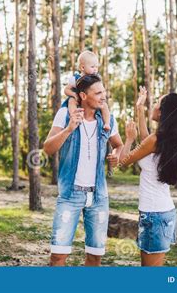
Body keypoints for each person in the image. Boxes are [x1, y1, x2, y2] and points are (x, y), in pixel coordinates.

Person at [43, 74, 123, 266]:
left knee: (95, 256)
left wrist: (116, 155)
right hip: (70, 195)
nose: (103, 96)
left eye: (104, 91)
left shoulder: (108, 120)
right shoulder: (65, 114)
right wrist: (69, 129)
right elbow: (47, 148)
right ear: (83, 96)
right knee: (58, 256)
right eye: (98, 93)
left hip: (99, 197)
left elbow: (118, 145)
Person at [119, 87, 177, 266]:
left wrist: (128, 139)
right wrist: (139, 108)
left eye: (157, 103)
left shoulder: (156, 140)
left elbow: (123, 162)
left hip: (154, 215)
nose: (154, 105)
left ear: (163, 112)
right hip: (161, 212)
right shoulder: (162, 140)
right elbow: (146, 140)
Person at [64, 50, 111, 131]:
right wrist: (74, 95)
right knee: (71, 101)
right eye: (92, 67)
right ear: (82, 67)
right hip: (77, 98)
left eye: (96, 67)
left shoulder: (96, 79)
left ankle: (107, 123)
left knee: (105, 105)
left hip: (90, 100)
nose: (95, 69)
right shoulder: (76, 78)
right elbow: (66, 90)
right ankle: (74, 117)